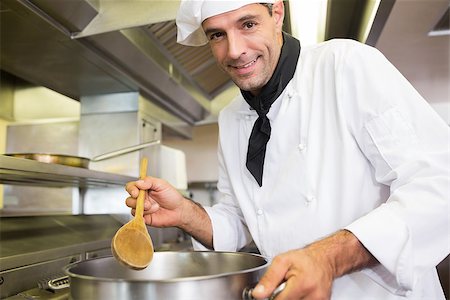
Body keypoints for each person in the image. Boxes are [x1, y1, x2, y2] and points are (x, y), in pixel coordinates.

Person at [125, 0, 450, 299]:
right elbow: (240, 218)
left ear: (276, 13)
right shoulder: (230, 117)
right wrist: (186, 213)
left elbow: (439, 181)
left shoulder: (345, 65)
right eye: (217, 35)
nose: (234, 50)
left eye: (247, 24)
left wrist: (327, 259)